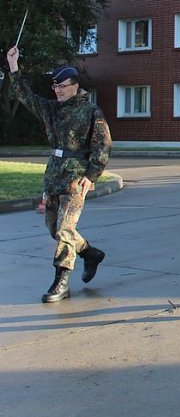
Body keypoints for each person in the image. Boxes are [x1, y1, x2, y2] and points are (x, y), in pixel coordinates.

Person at [6, 46, 112, 303]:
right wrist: (13, 65)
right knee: (54, 228)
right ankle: (90, 253)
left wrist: (92, 175)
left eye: (62, 85)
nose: (57, 90)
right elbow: (25, 96)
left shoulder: (90, 112)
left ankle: (61, 281)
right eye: (55, 86)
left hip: (76, 177)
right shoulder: (52, 109)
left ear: (75, 85)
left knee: (66, 229)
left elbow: (103, 145)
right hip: (54, 174)